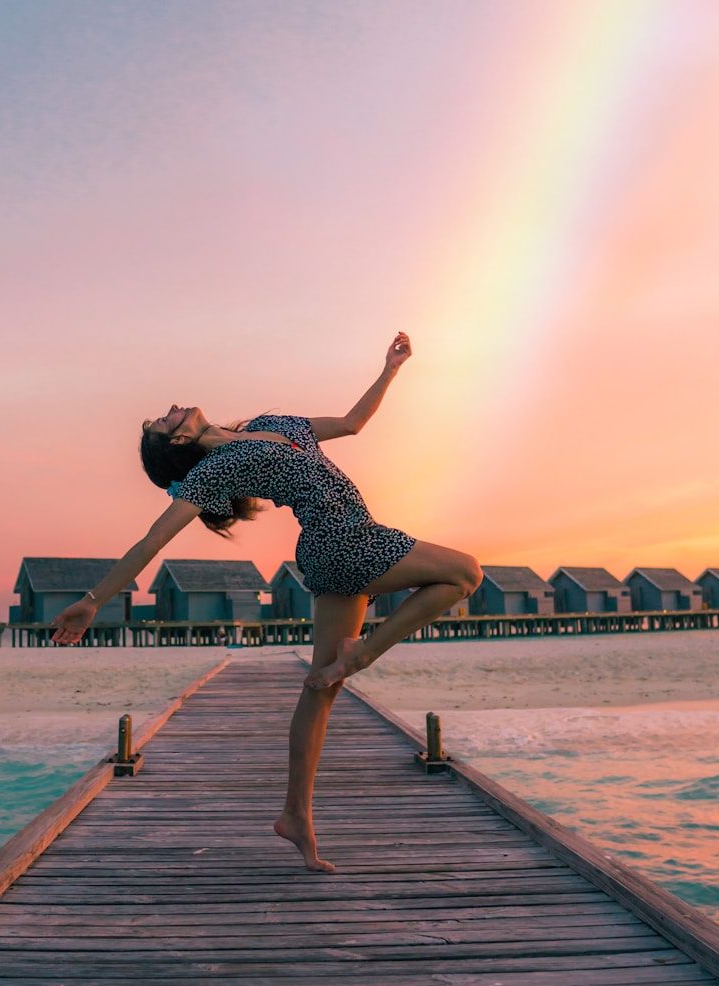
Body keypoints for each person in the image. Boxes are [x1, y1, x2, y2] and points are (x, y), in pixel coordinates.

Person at [51, 332, 483, 872]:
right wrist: (93, 601)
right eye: (166, 421)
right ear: (179, 443)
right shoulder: (215, 470)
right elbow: (152, 542)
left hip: (334, 551)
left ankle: (295, 815)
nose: (172, 409)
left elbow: (351, 423)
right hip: (346, 542)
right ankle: (364, 654)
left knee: (321, 687)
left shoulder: (275, 424)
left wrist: (390, 369)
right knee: (466, 572)